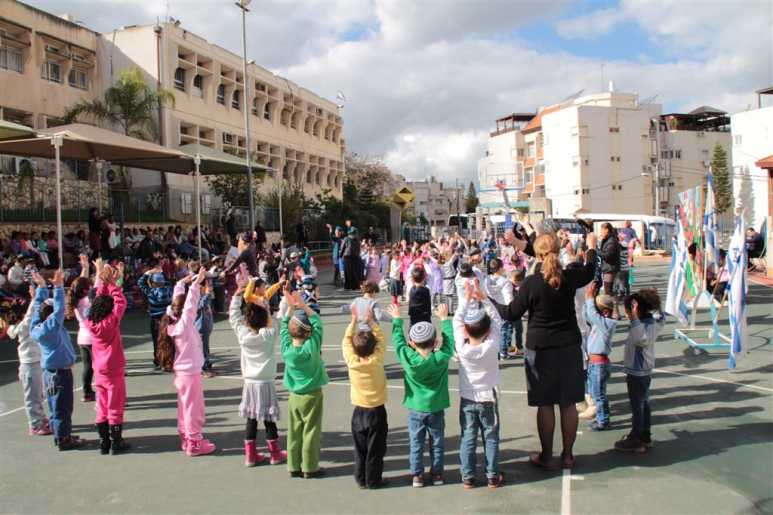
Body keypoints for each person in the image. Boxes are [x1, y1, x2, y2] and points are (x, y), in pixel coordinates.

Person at [505, 231, 597, 470]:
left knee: (545, 404)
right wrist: (592, 248)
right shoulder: (569, 277)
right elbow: (590, 270)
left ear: (537, 254)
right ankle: (567, 455)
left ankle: (547, 456)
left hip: (541, 348)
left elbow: (511, 313)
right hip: (568, 346)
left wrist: (487, 300)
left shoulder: (532, 283)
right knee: (568, 404)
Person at [388, 303, 453, 488]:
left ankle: (417, 475)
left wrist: (397, 319)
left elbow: (398, 341)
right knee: (437, 442)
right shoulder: (441, 358)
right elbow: (449, 343)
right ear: (435, 342)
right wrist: (444, 320)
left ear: (412, 343)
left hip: (416, 407)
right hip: (436, 407)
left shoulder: (408, 357)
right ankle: (438, 474)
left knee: (416, 443)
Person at [157, 268, 217, 457]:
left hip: (182, 374)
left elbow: (180, 301)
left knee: (184, 408)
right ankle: (194, 442)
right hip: (190, 374)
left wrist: (181, 283)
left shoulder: (172, 321)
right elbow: (190, 304)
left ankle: (187, 438)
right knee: (194, 409)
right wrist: (196, 283)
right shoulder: (184, 323)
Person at [230, 268, 287, 467]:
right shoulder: (269, 335)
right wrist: (274, 306)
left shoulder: (243, 334)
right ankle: (275, 454)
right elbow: (281, 319)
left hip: (250, 383)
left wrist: (238, 294)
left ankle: (250, 456)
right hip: (266, 381)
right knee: (269, 420)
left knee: (251, 420)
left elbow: (234, 318)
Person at [453, 283, 505, 489]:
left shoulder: (462, 347)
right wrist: (483, 298)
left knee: (468, 438)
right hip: (488, 398)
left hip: (468, 398)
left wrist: (466, 299)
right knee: (490, 438)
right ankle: (492, 476)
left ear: (466, 330)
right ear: (488, 330)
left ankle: (468, 477)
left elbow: (457, 319)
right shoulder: (491, 345)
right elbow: (498, 320)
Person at [30, 269, 84, 450]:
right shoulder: (52, 327)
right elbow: (60, 309)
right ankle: (63, 439)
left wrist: (42, 289)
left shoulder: (37, 328)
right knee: (63, 407)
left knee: (55, 406)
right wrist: (58, 287)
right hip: (60, 373)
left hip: (50, 372)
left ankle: (60, 433)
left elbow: (38, 309)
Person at [280, 290, 329, 478]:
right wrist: (303, 304)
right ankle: (309, 467)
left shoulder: (287, 350)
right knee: (311, 431)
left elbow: (285, 328)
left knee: (294, 431)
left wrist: (290, 307)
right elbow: (317, 322)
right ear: (307, 332)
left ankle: (293, 465)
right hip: (313, 394)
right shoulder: (312, 347)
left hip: (294, 396)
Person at [85, 261, 130, 455]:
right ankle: (116, 442)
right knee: (115, 405)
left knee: (101, 405)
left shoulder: (90, 323)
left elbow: (97, 300)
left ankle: (104, 442)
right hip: (114, 368)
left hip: (99, 369)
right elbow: (120, 302)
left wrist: (103, 282)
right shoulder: (111, 321)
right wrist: (111, 283)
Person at [342, 304, 389, 489]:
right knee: (376, 449)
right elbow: (382, 340)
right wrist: (371, 322)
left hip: (359, 412)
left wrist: (353, 321)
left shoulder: (352, 361)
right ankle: (373, 480)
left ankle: (361, 478)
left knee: (360, 449)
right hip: (376, 411)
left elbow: (346, 341)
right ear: (373, 347)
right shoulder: (376, 360)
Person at [615, 288, 665, 453]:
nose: (628, 315)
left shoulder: (642, 326)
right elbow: (661, 316)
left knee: (637, 405)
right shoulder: (654, 322)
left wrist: (635, 318)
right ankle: (645, 435)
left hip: (637, 372)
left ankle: (636, 438)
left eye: (629, 311)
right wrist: (657, 304)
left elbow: (640, 339)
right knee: (644, 403)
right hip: (644, 371)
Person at [4, 287, 51, 436]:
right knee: (32, 397)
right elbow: (32, 313)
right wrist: (35, 298)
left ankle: (40, 418)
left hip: (35, 363)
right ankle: (35, 424)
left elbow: (31, 313)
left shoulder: (17, 327)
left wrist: (34, 298)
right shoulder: (25, 326)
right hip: (29, 365)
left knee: (38, 394)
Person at [579, 284, 617, 431]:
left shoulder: (607, 324)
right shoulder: (599, 323)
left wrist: (589, 299)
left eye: (597, 308)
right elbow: (587, 315)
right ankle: (601, 417)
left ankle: (603, 420)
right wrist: (586, 300)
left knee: (599, 395)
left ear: (605, 312)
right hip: (594, 364)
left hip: (599, 364)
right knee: (596, 394)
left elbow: (592, 314)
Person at [67, 254, 95, 402]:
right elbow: (96, 287)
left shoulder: (76, 298)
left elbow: (79, 284)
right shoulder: (88, 301)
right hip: (93, 337)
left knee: (87, 366)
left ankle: (87, 392)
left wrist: (85, 267)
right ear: (86, 289)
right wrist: (99, 269)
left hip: (82, 338)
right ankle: (102, 391)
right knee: (99, 367)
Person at [138, 263, 173, 370]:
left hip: (155, 320)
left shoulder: (151, 292)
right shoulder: (168, 290)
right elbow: (169, 282)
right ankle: (167, 360)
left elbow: (140, 283)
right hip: (166, 319)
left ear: (153, 283)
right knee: (167, 340)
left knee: (156, 340)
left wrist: (149, 273)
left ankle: (158, 360)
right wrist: (161, 272)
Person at [484, 257, 514, 360]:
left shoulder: (486, 279)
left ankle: (492, 353)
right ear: (500, 268)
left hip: (489, 308)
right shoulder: (505, 281)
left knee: (490, 331)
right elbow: (508, 298)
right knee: (503, 331)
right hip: (502, 308)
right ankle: (503, 353)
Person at [598, 223, 620, 296]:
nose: (600, 232)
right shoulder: (607, 240)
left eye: (601, 230)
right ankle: (612, 305)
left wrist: (597, 251)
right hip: (608, 268)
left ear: (607, 230)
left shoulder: (611, 241)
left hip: (610, 269)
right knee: (609, 291)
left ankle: (611, 306)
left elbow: (608, 256)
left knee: (608, 292)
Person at [341, 227, 362, 291]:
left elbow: (343, 247)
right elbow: (359, 249)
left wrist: (340, 255)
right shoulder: (357, 239)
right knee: (355, 272)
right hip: (355, 257)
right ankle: (355, 286)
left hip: (347, 257)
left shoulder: (346, 238)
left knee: (347, 272)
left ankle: (347, 286)